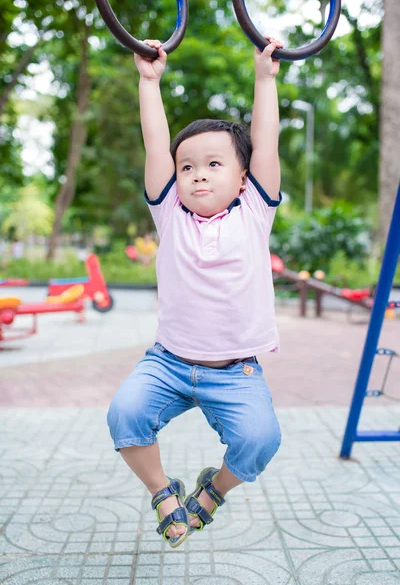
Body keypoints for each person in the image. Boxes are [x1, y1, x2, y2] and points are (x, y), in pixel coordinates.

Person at [107, 35, 284, 549]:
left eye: (213, 164)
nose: (197, 174)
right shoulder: (169, 215)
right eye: (187, 166)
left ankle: (212, 491)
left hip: (236, 370)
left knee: (260, 440)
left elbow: (265, 142)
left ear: (244, 178)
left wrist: (265, 78)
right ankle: (164, 491)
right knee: (125, 414)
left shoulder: (255, 212)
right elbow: (154, 142)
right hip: (168, 362)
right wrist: (148, 81)